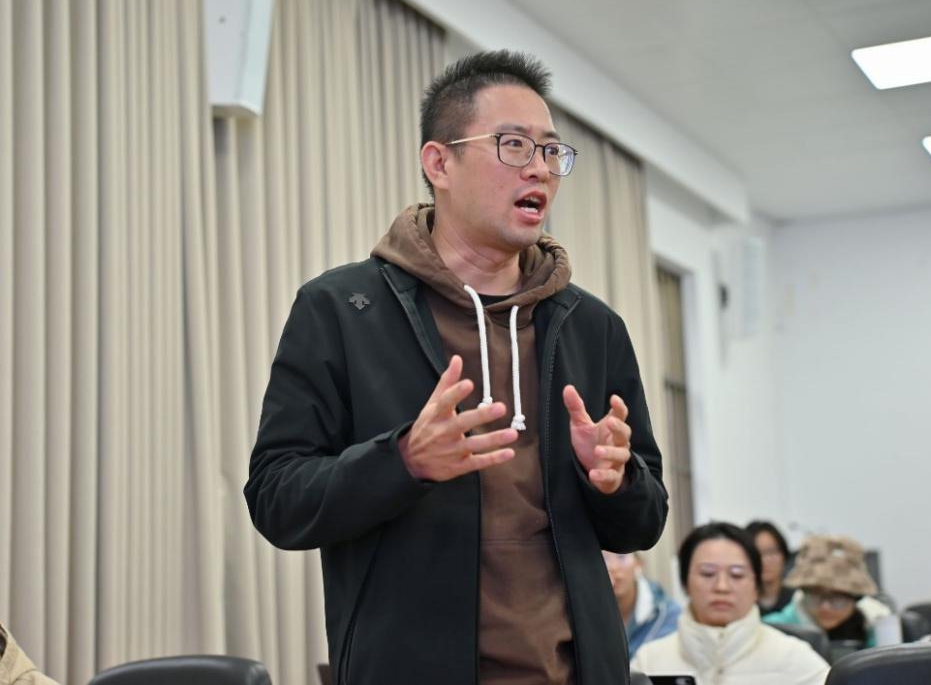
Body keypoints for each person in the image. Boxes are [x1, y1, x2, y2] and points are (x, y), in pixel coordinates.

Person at [244, 50, 669, 685]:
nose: (540, 168)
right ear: (439, 163)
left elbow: (646, 521)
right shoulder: (343, 308)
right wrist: (403, 461)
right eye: (513, 145)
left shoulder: (591, 325)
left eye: (551, 151)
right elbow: (277, 499)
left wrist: (615, 480)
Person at [631, 523, 829, 685]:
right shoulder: (649, 661)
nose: (722, 586)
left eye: (737, 575)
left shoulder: (794, 659)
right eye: (707, 573)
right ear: (685, 583)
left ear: (756, 586)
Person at [764, 535, 892, 647]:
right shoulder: (771, 629)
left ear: (856, 598)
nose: (825, 607)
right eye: (816, 595)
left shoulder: (876, 626)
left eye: (837, 598)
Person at [603, 550, 681, 656]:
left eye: (621, 557)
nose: (613, 567)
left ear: (638, 563)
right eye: (604, 559)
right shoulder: (588, 614)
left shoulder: (667, 614)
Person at [745, 520, 794, 616]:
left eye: (771, 552)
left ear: (784, 555)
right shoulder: (739, 601)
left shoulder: (798, 600)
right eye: (758, 554)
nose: (765, 561)